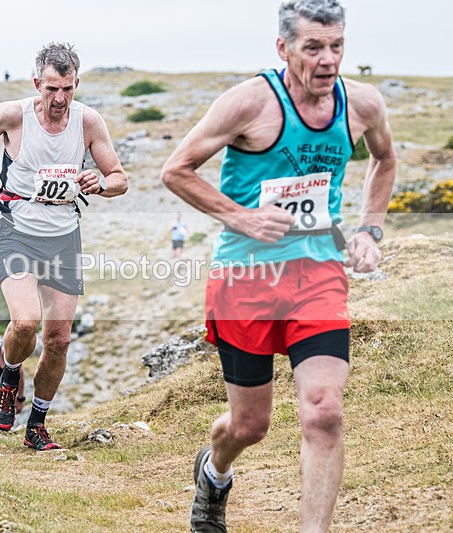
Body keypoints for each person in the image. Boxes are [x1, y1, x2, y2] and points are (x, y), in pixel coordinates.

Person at [161, 1, 395, 531]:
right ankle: (214, 472)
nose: (328, 59)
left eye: (336, 46)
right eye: (314, 47)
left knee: (324, 411)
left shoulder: (361, 103)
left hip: (318, 274)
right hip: (245, 279)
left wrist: (368, 230)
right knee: (249, 425)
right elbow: (176, 170)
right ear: (283, 48)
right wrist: (241, 217)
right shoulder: (249, 102)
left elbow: (384, 158)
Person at [0, 42, 128, 450]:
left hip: (63, 235)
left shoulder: (88, 122)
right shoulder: (14, 116)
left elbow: (120, 178)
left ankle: (36, 423)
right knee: (26, 321)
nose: (59, 99)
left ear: (76, 84)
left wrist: (100, 184)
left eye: (67, 88)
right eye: (51, 89)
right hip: (15, 229)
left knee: (59, 338)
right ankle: (9, 376)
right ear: (37, 84)